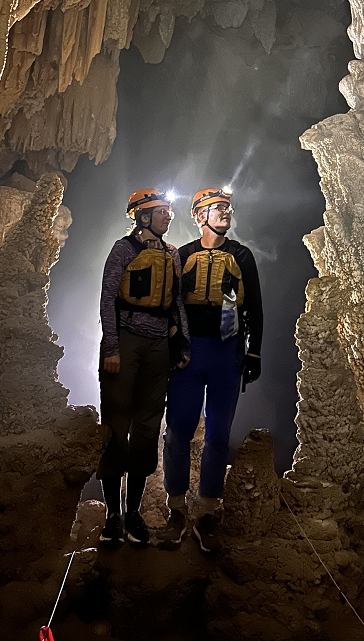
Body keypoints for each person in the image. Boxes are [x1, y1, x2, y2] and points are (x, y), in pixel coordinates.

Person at [159, 187, 263, 553]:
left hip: (226, 353)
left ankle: (205, 511)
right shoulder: (182, 255)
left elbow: (255, 308)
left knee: (218, 434)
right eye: (217, 208)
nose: (225, 212)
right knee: (178, 432)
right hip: (190, 354)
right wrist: (175, 348)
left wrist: (254, 354)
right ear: (199, 216)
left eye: (228, 208)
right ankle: (175, 509)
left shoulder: (241, 255)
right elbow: (170, 307)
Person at [98, 188, 190, 547]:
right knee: (117, 425)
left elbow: (177, 301)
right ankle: (112, 515)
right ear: (143, 216)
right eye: (162, 211)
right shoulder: (123, 250)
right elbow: (107, 298)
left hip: (158, 347)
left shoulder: (171, 254)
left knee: (148, 428)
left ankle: (133, 512)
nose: (169, 216)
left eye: (169, 211)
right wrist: (112, 347)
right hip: (127, 339)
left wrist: (181, 341)